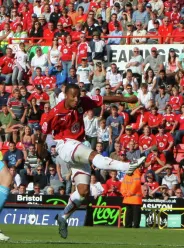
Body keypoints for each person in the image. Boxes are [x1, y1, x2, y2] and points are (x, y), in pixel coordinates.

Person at [40, 84, 146, 239]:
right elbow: (42, 135)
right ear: (66, 96)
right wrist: (40, 151)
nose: (76, 99)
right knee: (93, 156)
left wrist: (126, 99)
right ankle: (127, 166)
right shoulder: (54, 114)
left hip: (78, 145)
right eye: (73, 96)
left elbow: (105, 99)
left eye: (78, 96)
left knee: (83, 192)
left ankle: (63, 217)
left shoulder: (83, 102)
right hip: (65, 146)